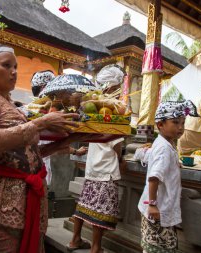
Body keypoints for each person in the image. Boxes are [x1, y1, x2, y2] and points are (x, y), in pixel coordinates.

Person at [0, 44, 91, 253]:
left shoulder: (11, 104)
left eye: (15, 66)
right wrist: (40, 123)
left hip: (33, 195)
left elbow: (30, 153)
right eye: (6, 66)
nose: (14, 72)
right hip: (9, 197)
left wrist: (66, 142)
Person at [67, 66, 125, 253]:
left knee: (85, 204)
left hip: (93, 166)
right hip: (106, 167)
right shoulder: (109, 108)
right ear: (112, 87)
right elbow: (115, 140)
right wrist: (122, 159)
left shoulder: (92, 105)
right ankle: (96, 248)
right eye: (119, 86)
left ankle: (75, 239)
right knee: (101, 210)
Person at [138, 100, 198, 253]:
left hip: (159, 209)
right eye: (175, 122)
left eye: (183, 123)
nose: (180, 127)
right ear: (160, 125)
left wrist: (174, 164)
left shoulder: (164, 144)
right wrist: (152, 204)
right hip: (157, 210)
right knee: (158, 249)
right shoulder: (164, 148)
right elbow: (154, 177)